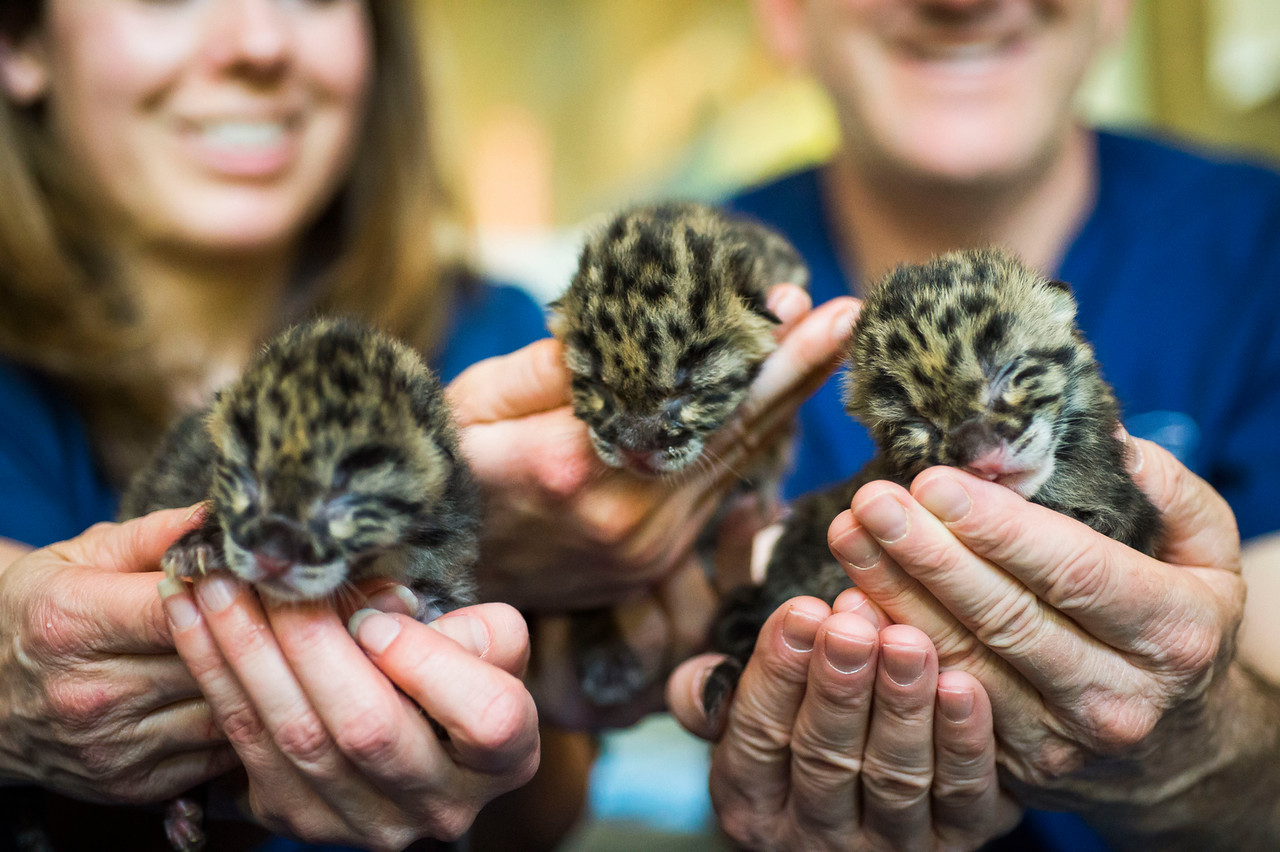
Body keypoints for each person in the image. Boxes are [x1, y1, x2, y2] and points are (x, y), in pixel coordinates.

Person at [0, 1, 848, 848]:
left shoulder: (494, 334)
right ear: (19, 40)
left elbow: (535, 811)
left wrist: (533, 660)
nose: (257, 42)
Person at [665, 0, 1280, 850]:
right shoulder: (685, 293)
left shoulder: (1257, 246)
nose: (961, 2)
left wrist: (1216, 752)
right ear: (782, 13)